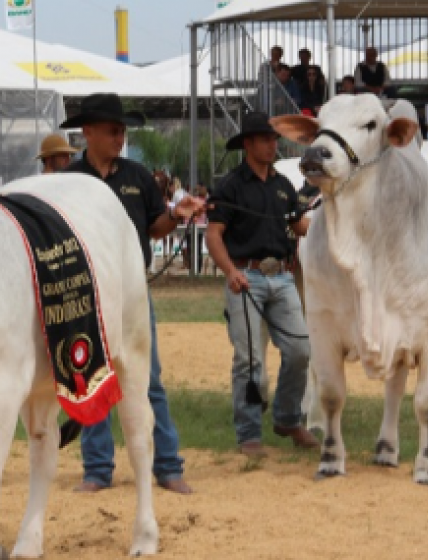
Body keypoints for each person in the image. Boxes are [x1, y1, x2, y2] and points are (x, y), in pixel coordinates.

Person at [59, 92, 204, 495]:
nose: (119, 138)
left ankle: (167, 465)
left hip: (131, 291)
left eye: (122, 131)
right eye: (111, 131)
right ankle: (97, 468)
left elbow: (154, 228)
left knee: (148, 379)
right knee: (90, 378)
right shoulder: (68, 181)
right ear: (88, 131)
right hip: (84, 292)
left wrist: (176, 215)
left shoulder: (138, 177)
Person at [204, 112, 316, 458]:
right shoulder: (229, 186)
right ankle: (249, 434)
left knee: (301, 349)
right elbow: (213, 235)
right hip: (245, 276)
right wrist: (230, 272)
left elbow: (299, 226)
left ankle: (286, 417)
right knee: (249, 359)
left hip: (281, 276)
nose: (274, 145)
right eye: (267, 140)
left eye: (275, 139)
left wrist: (334, 216)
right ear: (249, 144)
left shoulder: (283, 186)